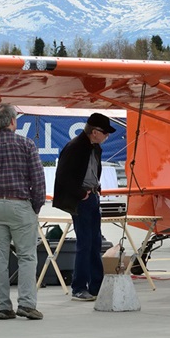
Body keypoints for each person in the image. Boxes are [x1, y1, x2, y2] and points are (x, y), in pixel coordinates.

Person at [0, 104, 46, 320]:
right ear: (13, 121)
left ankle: (4, 307)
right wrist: (36, 206)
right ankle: (27, 304)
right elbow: (38, 179)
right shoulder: (26, 144)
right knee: (26, 256)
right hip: (20, 204)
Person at [53, 113, 116, 301]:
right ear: (95, 132)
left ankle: (96, 286)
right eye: (105, 133)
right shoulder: (75, 147)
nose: (107, 136)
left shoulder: (94, 148)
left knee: (95, 243)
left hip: (92, 196)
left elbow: (91, 171)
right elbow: (63, 177)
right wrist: (82, 193)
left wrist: (95, 188)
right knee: (85, 243)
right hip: (83, 199)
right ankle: (79, 287)